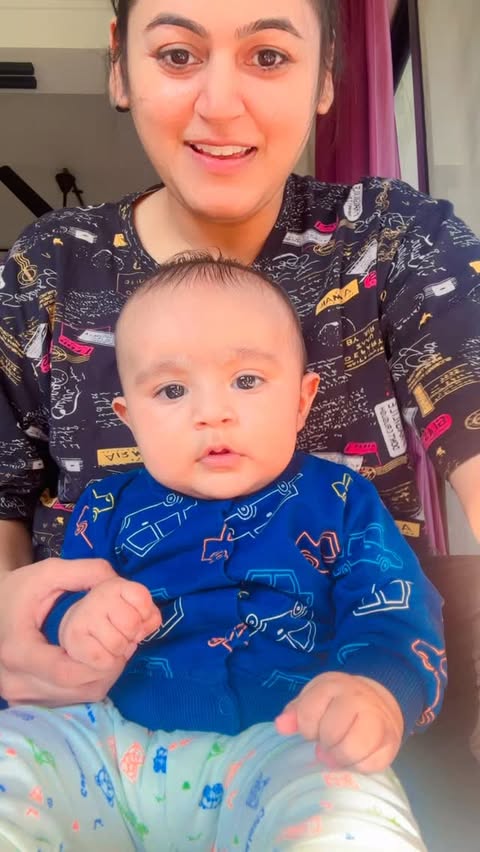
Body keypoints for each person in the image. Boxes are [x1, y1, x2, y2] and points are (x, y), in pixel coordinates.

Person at [0, 0, 479, 731]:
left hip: (318, 738)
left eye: (268, 56)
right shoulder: (45, 268)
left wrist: (382, 687)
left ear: (325, 74)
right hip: (85, 728)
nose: (220, 106)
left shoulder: (395, 240)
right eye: (178, 55)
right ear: (120, 63)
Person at [0, 256, 444, 850]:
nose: (212, 413)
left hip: (289, 742)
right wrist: (76, 622)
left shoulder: (342, 499)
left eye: (247, 380)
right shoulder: (104, 505)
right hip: (103, 741)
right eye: (172, 390)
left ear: (302, 401)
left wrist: (376, 690)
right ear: (130, 420)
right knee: (14, 755)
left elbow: (394, 610)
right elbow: (52, 606)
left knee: (353, 810)